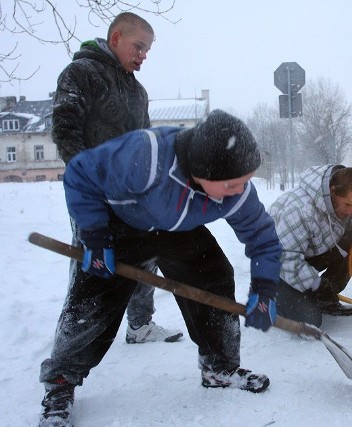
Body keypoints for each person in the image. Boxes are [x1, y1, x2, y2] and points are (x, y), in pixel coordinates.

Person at [39, 110, 282, 426]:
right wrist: (95, 233)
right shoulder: (144, 156)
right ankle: (60, 384)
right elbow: (80, 174)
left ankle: (219, 368)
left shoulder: (236, 191)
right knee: (93, 299)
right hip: (121, 225)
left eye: (245, 182)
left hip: (178, 228)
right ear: (201, 171)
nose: (240, 191)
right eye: (232, 184)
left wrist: (264, 288)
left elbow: (263, 237)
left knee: (214, 276)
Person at [51, 12, 181, 345]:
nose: (143, 55)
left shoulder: (138, 92)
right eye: (139, 46)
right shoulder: (81, 74)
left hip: (133, 197)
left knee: (144, 259)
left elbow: (147, 144)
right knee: (91, 271)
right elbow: (66, 131)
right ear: (116, 39)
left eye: (147, 49)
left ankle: (140, 325)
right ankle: (66, 360)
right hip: (93, 196)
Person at [268, 165, 352, 327]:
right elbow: (286, 260)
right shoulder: (300, 210)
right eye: (348, 205)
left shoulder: (339, 204)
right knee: (310, 320)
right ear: (333, 191)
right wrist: (317, 285)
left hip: (303, 257)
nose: (351, 212)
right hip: (276, 266)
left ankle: (323, 298)